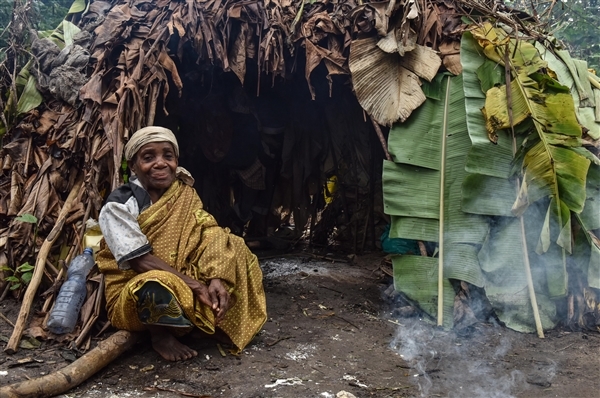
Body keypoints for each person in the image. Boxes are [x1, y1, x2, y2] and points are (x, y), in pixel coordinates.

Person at [96, 126, 267, 362]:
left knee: (233, 245)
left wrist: (217, 276)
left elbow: (207, 233)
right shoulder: (119, 205)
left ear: (176, 160)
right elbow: (139, 260)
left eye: (168, 155)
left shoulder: (183, 193)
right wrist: (197, 286)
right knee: (155, 283)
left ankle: (207, 324)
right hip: (133, 291)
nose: (160, 163)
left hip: (184, 275)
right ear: (133, 166)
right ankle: (160, 335)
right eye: (148, 157)